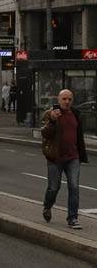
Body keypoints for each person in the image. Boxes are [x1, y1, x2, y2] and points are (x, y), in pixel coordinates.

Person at [41, 89, 88, 229]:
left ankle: (72, 218)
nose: (67, 102)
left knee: (74, 187)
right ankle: (47, 206)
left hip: (73, 157)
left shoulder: (75, 114)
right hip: (56, 158)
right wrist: (53, 121)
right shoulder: (50, 114)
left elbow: (79, 136)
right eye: (64, 99)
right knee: (54, 188)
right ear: (58, 100)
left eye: (69, 99)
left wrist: (81, 154)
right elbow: (45, 133)